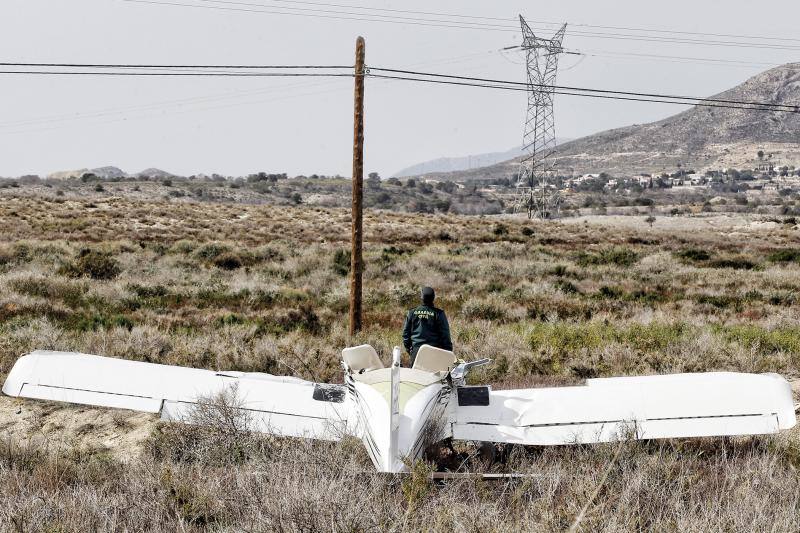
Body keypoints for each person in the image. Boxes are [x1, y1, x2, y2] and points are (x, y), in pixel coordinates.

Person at [402, 287, 453, 365]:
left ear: (421, 297)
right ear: (433, 297)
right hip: (434, 352)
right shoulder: (438, 313)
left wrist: (410, 350)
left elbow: (406, 334)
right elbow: (445, 335)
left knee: (414, 376)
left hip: (416, 352)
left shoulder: (412, 312)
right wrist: (448, 352)